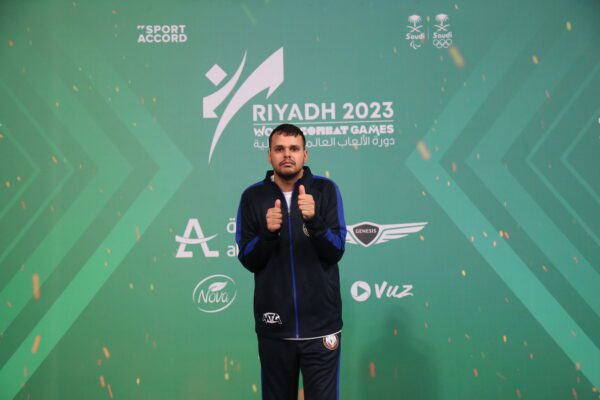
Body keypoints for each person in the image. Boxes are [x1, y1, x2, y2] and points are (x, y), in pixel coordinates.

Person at [236, 123, 347, 400]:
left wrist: (314, 221)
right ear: (269, 155)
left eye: (294, 148)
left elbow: (336, 250)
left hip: (321, 328)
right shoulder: (252, 197)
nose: (287, 154)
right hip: (274, 328)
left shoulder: (325, 190)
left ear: (305, 155)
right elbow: (248, 258)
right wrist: (267, 234)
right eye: (279, 149)